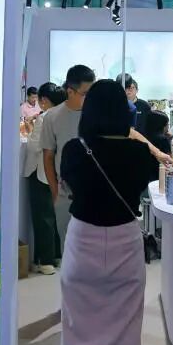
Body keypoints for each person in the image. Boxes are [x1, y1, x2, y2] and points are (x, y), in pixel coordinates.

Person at [53, 80, 156, 345]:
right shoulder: (139, 153)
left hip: (83, 239)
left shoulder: (74, 150)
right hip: (126, 239)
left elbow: (69, 187)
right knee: (125, 325)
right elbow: (144, 182)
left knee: (77, 322)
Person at [40, 65, 96, 249]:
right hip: (66, 194)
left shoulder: (96, 115)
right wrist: (55, 192)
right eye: (85, 93)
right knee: (69, 249)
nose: (90, 98)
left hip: (96, 192)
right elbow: (48, 157)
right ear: (70, 91)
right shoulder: (52, 117)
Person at [23, 82, 66, 274]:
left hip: (40, 171)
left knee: (42, 217)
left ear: (45, 100)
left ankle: (45, 261)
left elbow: (34, 146)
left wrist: (30, 129)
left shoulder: (44, 118)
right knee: (53, 215)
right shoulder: (64, 116)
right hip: (57, 172)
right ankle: (55, 255)